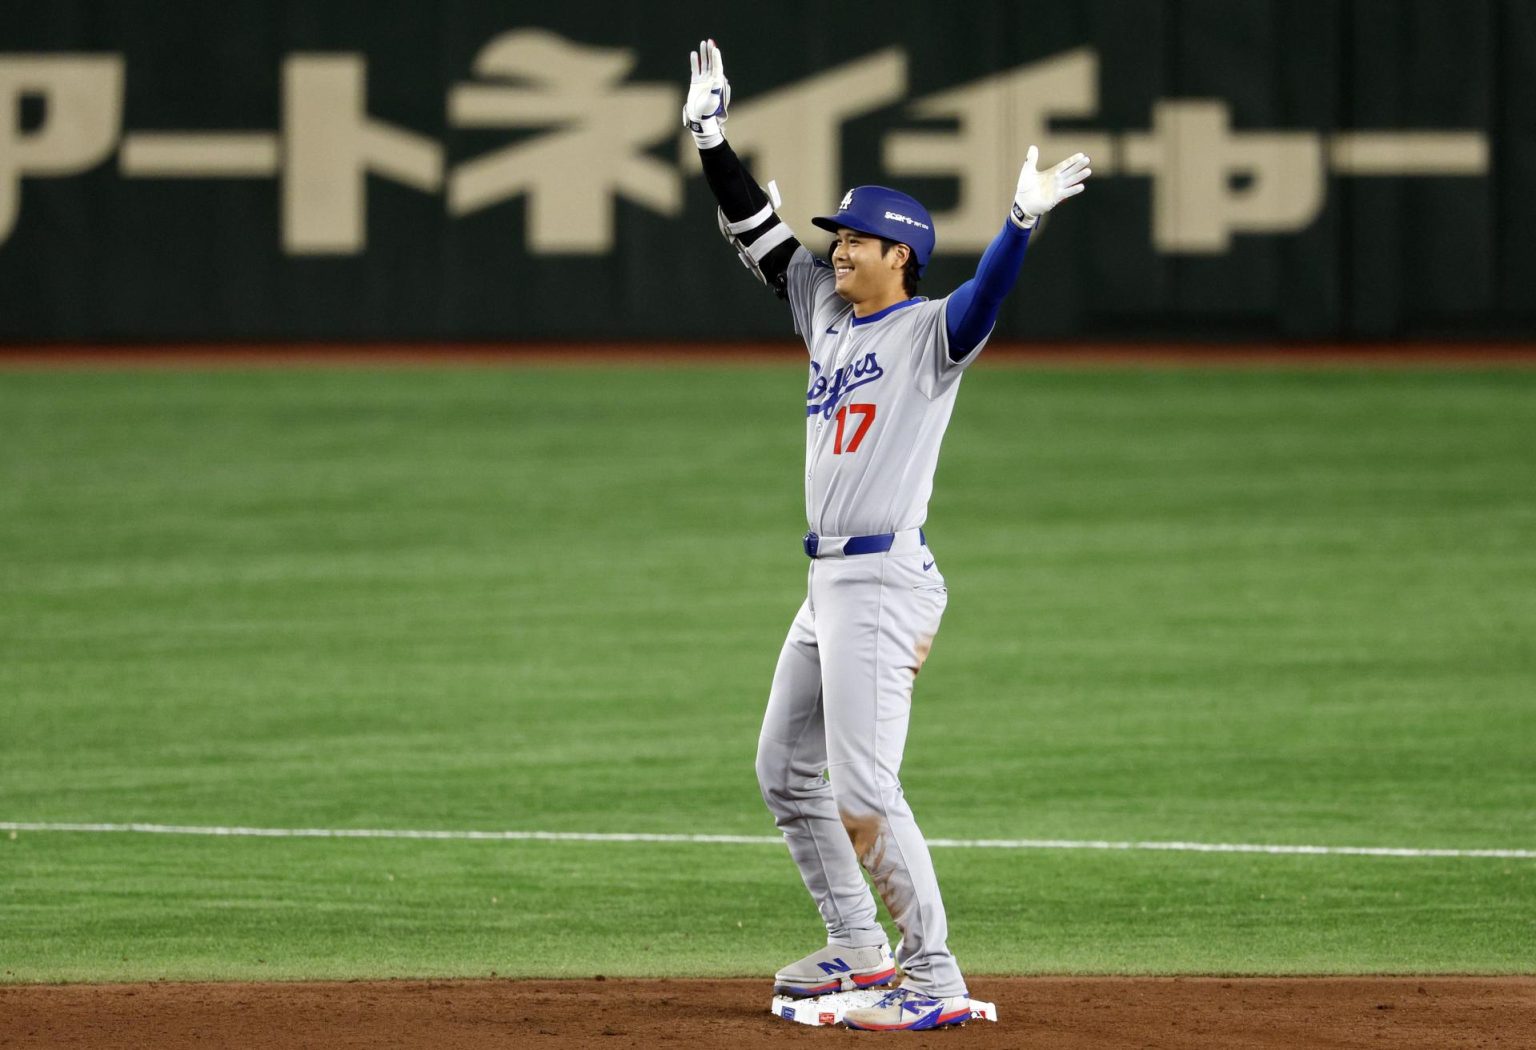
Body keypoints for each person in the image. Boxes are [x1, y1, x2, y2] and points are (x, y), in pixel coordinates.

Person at [684, 39, 1090, 1032]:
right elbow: (757, 232)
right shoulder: (822, 307)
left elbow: (987, 299)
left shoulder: (932, 336)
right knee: (784, 769)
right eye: (837, 238)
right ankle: (859, 949)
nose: (836, 248)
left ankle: (933, 975)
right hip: (826, 587)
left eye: (854, 239)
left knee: (864, 788)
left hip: (883, 583)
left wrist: (1020, 224)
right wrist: (712, 142)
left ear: (897, 253)